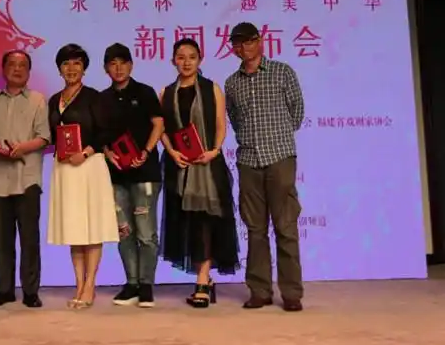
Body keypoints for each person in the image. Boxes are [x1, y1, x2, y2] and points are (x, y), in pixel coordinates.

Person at [224, 22, 305, 312]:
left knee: (286, 227)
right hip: (248, 161)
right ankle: (259, 290)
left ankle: (292, 293)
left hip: (280, 158)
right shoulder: (232, 83)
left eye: (248, 41)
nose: (243, 48)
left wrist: (277, 138)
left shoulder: (282, 72)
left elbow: (297, 112)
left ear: (260, 41)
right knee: (255, 229)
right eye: (237, 43)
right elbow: (235, 119)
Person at [159, 38, 239, 308]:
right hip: (180, 166)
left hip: (207, 166)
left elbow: (220, 124)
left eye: (191, 57)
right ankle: (205, 279)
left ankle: (202, 282)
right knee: (188, 224)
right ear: (173, 60)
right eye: (181, 57)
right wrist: (171, 152)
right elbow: (161, 129)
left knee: (206, 221)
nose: (186, 62)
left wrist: (214, 150)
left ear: (200, 60)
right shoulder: (166, 92)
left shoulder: (211, 88)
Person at [47, 43, 119, 309]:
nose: (71, 68)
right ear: (59, 69)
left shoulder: (94, 97)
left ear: (84, 68)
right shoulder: (54, 100)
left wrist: (85, 152)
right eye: (66, 64)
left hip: (89, 166)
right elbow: (52, 134)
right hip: (64, 168)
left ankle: (90, 285)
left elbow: (105, 132)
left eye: (76, 63)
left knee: (92, 226)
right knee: (74, 227)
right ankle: (78, 284)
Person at [0, 50, 50, 308]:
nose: (17, 69)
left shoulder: (38, 100)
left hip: (27, 178)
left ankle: (30, 292)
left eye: (22, 65)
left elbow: (44, 137)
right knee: (3, 239)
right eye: (12, 64)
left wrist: (22, 148)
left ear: (29, 71)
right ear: (3, 69)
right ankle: (5, 290)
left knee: (30, 239)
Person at [100, 43, 165, 308]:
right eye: (112, 64)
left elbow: (159, 124)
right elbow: (99, 135)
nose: (118, 68)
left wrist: (147, 151)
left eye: (123, 62)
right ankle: (131, 283)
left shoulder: (145, 92)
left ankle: (146, 285)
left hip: (145, 173)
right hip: (116, 176)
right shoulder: (102, 99)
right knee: (124, 232)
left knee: (146, 233)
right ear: (106, 68)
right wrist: (107, 153)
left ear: (131, 65)